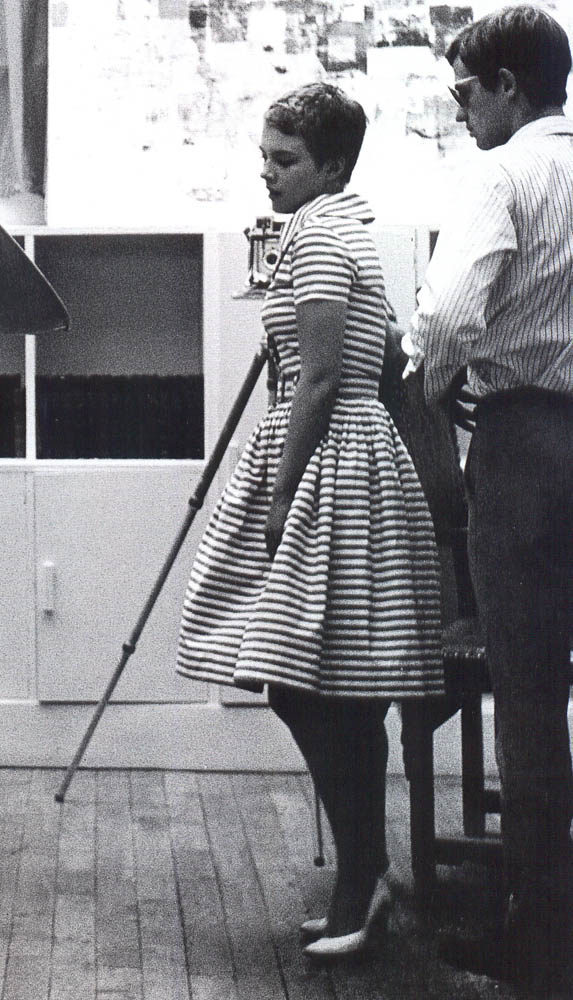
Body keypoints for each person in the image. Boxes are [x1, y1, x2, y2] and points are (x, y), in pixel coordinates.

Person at [177, 82, 443, 959]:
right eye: (264, 156)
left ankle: (363, 879)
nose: (267, 172)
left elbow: (323, 378)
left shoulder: (322, 234)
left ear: (331, 166)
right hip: (346, 451)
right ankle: (365, 877)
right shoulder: (341, 228)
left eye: (284, 160)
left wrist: (284, 491)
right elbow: (381, 353)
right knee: (322, 682)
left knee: (314, 684)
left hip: (331, 459)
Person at [407, 5, 573, 992]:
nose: (459, 109)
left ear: (508, 85)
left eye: (464, 91)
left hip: (527, 447)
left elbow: (446, 319)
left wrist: (435, 387)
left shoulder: (502, 175)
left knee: (529, 691)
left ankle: (542, 932)